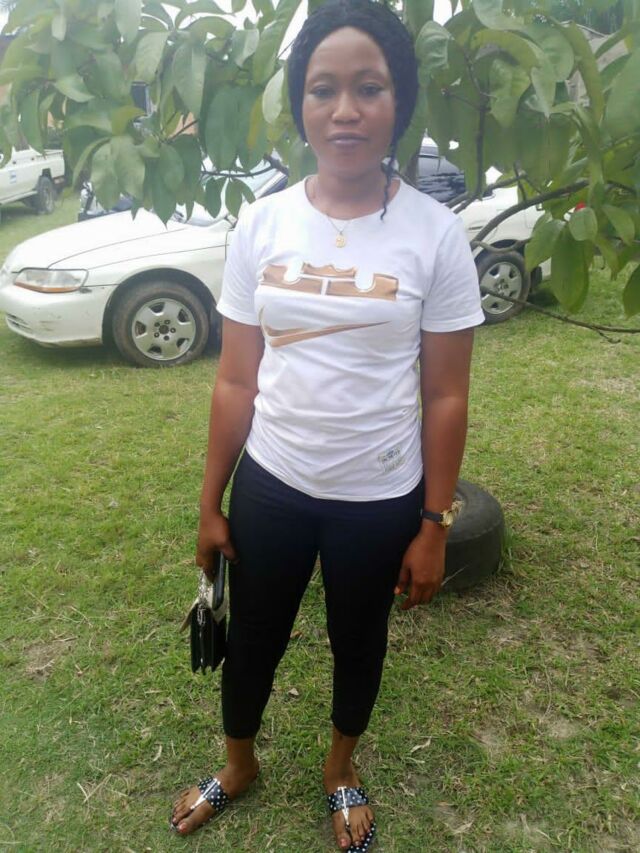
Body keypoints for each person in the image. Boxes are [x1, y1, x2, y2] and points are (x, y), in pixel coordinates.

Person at [170, 0, 485, 848]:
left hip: (379, 496)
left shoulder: (435, 235)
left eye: (368, 88)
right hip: (273, 481)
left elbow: (446, 396)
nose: (345, 110)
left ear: (398, 100)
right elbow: (237, 377)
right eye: (323, 89)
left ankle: (340, 768)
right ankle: (238, 763)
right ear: (301, 104)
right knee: (254, 637)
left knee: (359, 640)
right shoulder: (264, 222)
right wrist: (210, 502)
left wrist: (434, 523)